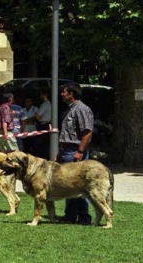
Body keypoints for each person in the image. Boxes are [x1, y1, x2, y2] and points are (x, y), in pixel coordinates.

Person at [58, 82, 94, 225]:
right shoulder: (68, 110)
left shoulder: (82, 109)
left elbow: (87, 132)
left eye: (64, 92)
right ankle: (70, 215)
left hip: (75, 151)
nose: (62, 94)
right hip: (66, 151)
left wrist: (80, 151)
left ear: (71, 94)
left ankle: (84, 216)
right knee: (68, 185)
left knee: (80, 185)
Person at [35, 91, 51, 159]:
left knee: (41, 144)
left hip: (43, 125)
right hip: (49, 124)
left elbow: (37, 115)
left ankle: (42, 157)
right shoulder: (51, 104)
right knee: (47, 144)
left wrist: (40, 120)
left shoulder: (44, 104)